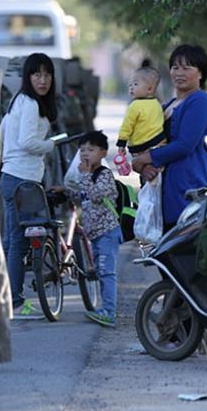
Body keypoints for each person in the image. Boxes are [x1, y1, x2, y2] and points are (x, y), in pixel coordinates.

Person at [0, 52, 58, 316]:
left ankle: (3, 295)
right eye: (37, 74)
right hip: (24, 180)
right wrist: (50, 144)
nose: (42, 80)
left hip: (10, 175)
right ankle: (15, 299)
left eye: (47, 74)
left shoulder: (17, 100)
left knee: (11, 241)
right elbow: (27, 142)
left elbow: (4, 134)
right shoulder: (31, 103)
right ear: (28, 76)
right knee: (19, 242)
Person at [132, 45, 207, 229]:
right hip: (162, 191)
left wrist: (147, 158)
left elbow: (185, 145)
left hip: (186, 190)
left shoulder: (200, 100)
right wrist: (144, 167)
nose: (179, 73)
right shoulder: (168, 104)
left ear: (201, 73)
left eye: (187, 68)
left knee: (182, 255)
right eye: (175, 67)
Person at [66, 130, 121, 327]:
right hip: (96, 235)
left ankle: (109, 312)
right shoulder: (87, 176)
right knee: (100, 270)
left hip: (107, 232)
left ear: (103, 153)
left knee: (107, 272)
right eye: (82, 150)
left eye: (91, 149)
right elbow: (83, 196)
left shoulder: (104, 174)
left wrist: (86, 176)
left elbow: (96, 195)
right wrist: (65, 191)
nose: (85, 154)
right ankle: (105, 309)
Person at [116, 66, 165, 162]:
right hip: (159, 142)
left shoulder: (135, 106)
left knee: (143, 169)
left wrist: (121, 143)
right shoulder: (157, 104)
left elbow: (127, 126)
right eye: (130, 85)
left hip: (140, 147)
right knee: (156, 170)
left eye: (135, 84)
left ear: (149, 89)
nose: (131, 87)